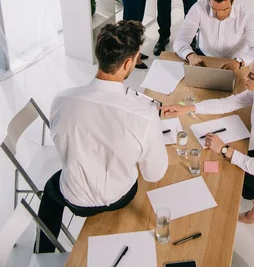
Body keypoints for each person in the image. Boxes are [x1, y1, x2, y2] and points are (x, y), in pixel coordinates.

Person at [37, 21, 168, 252]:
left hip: (75, 199)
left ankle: (43, 252)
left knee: (50, 189)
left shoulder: (61, 100)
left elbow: (63, 143)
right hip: (120, 196)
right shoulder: (145, 116)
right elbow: (154, 174)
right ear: (128, 63)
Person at [163, 53, 254, 224]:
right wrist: (187, 108)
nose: (245, 77)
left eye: (251, 76)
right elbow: (226, 104)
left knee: (234, 172)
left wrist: (225, 149)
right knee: (231, 162)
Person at [173, 0, 254, 71]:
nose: (219, 14)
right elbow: (180, 40)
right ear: (209, 1)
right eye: (214, 9)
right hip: (205, 57)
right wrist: (190, 55)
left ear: (232, 2)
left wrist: (240, 61)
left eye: (225, 9)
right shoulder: (198, 8)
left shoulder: (246, 14)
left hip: (237, 61)